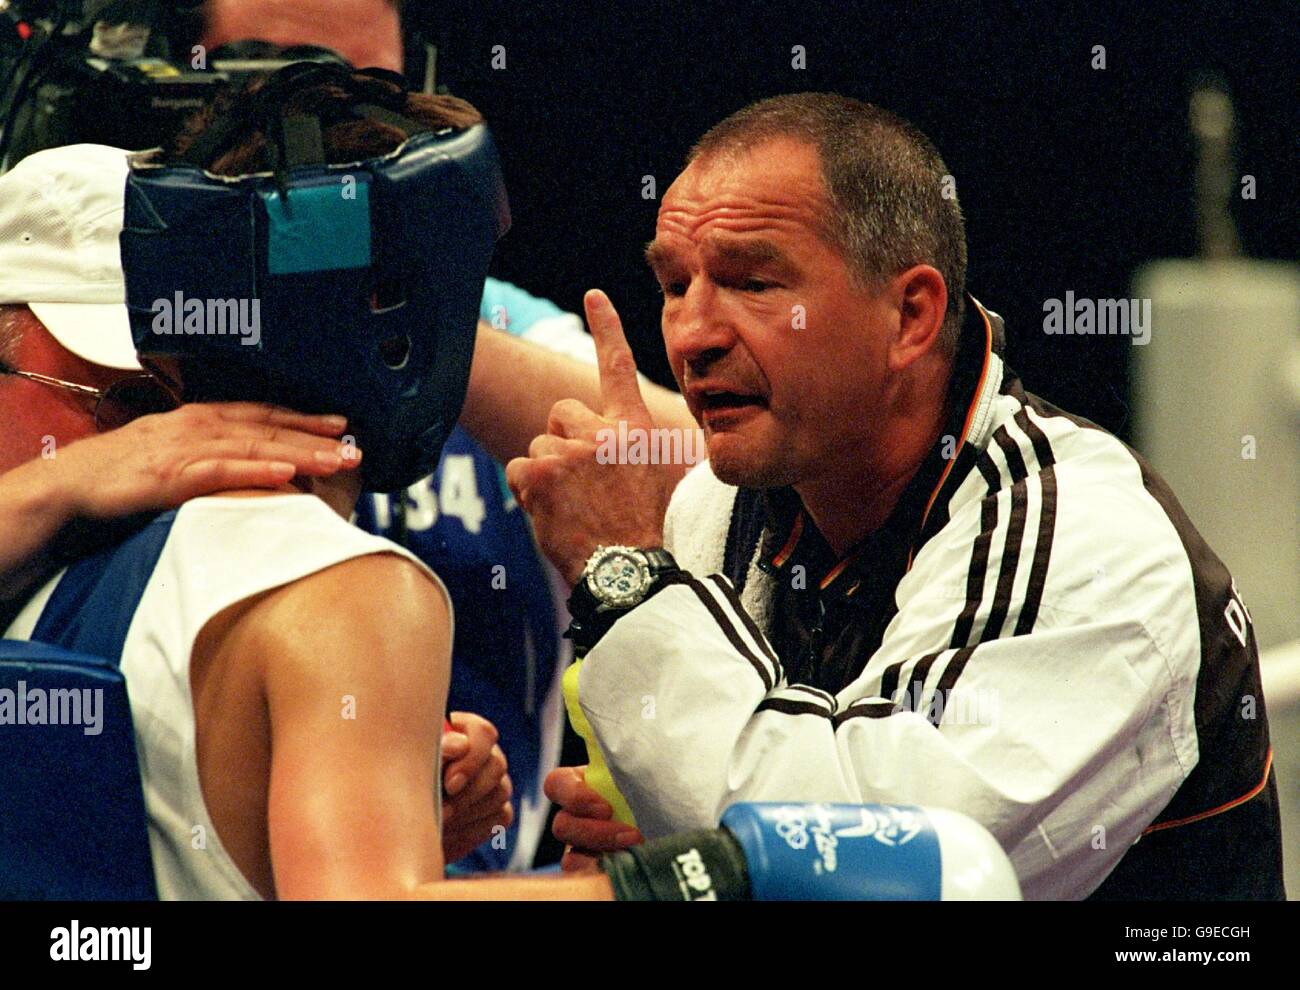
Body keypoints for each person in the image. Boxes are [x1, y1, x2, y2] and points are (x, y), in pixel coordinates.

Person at [509, 92, 1286, 900]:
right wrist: (659, 835)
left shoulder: (1087, 538)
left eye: (751, 281)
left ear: (910, 315)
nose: (692, 333)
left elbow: (871, 874)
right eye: (674, 285)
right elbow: (737, 818)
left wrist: (627, 576)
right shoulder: (723, 502)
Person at [0, 69, 514, 896]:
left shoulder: (47, 573)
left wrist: (378, 826)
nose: (129, 437)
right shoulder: (346, 591)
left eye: (139, 394)